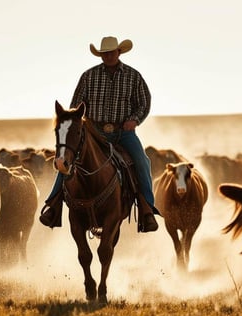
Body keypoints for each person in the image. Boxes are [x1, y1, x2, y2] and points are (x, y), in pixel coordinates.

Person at [39, 36, 159, 233]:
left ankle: (147, 209)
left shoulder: (133, 76)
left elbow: (144, 103)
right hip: (93, 132)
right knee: (66, 160)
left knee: (142, 161)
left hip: (123, 132)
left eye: (112, 52)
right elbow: (76, 104)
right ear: (101, 55)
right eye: (105, 53)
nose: (109, 56)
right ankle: (54, 205)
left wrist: (134, 120)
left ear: (119, 53)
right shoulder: (89, 76)